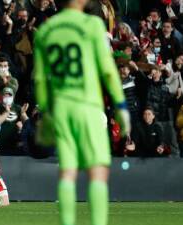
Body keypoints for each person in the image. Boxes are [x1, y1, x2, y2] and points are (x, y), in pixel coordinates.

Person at [34, 1, 130, 225]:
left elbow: (40, 79)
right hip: (88, 105)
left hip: (61, 108)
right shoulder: (93, 25)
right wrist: (121, 105)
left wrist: (46, 113)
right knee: (97, 171)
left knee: (67, 172)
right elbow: (107, 70)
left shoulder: (46, 30)